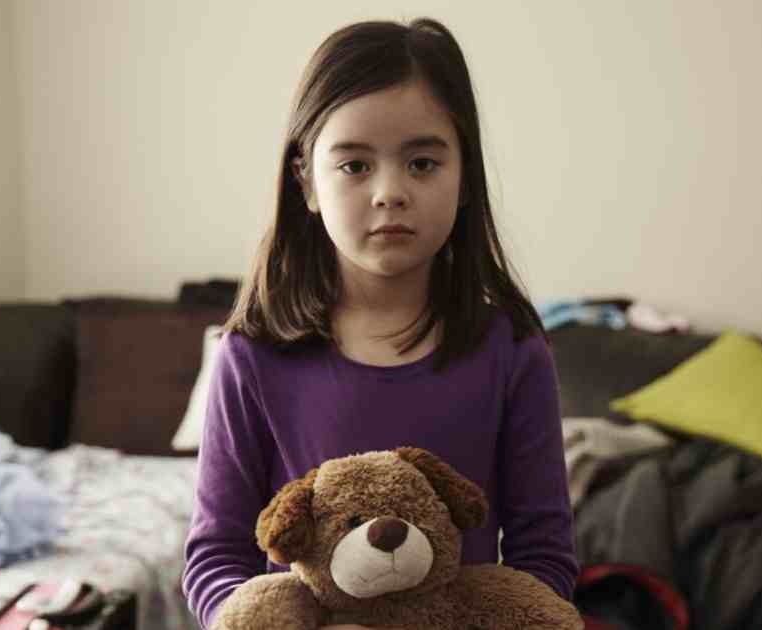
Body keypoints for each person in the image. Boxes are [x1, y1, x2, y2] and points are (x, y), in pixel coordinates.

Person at [182, 17, 578, 630]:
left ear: (465, 176)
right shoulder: (253, 354)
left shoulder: (513, 349)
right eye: (354, 166)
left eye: (422, 163)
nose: (390, 191)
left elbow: (543, 558)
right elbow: (215, 558)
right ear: (305, 181)